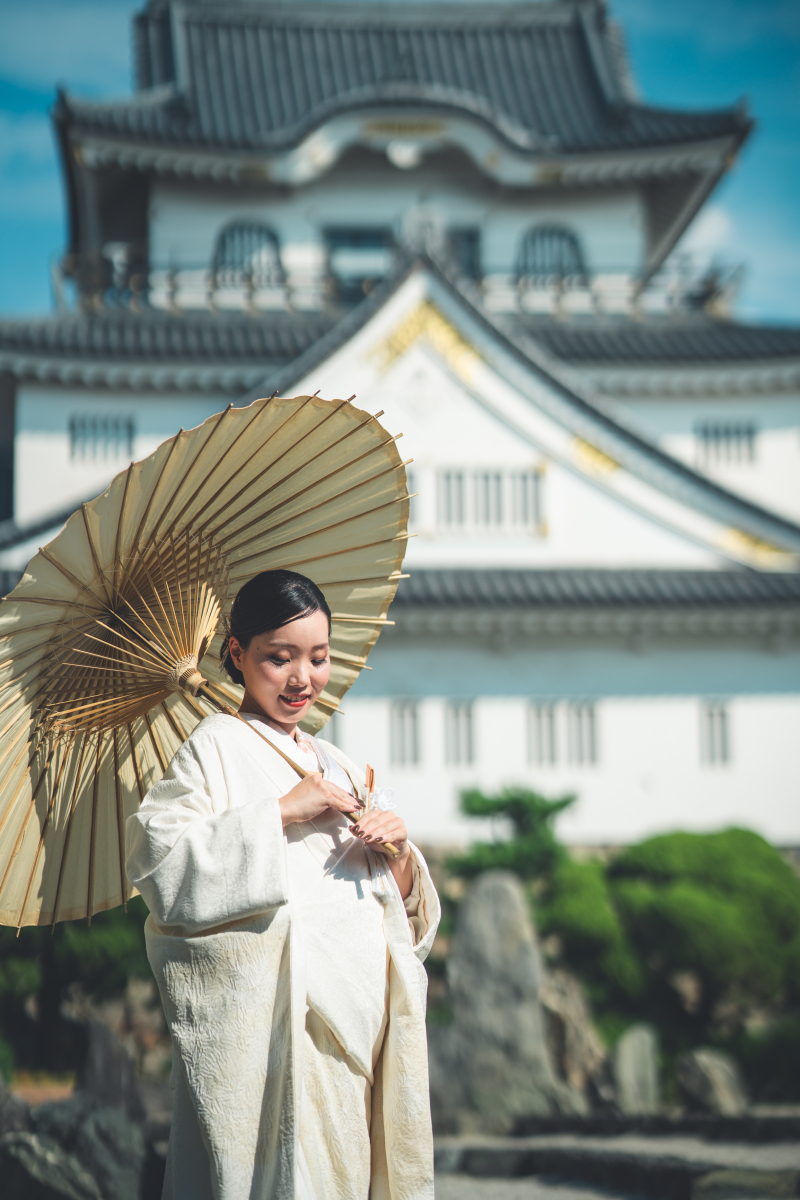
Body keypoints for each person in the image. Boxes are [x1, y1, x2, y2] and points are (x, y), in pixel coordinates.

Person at [125, 569, 440, 1200]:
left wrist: (399, 853)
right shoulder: (213, 747)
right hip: (280, 1025)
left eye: (318, 658)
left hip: (359, 1021)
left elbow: (401, 911)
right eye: (280, 658)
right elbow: (161, 863)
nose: (303, 679)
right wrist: (279, 813)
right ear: (238, 655)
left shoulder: (339, 762)